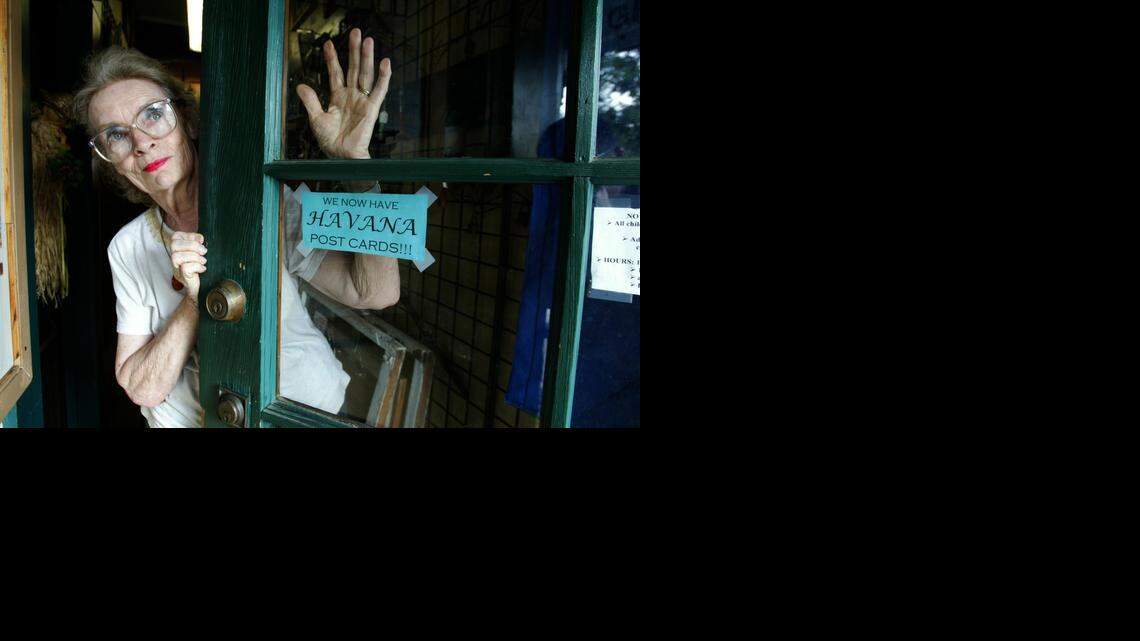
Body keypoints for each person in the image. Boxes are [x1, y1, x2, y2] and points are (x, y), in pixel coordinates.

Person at [73, 29, 397, 427]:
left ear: (187, 120)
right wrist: (194, 301)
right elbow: (142, 387)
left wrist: (357, 169)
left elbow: (375, 292)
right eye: (117, 136)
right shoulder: (127, 247)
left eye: (153, 114)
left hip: (292, 413)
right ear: (113, 161)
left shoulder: (264, 204)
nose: (141, 143)